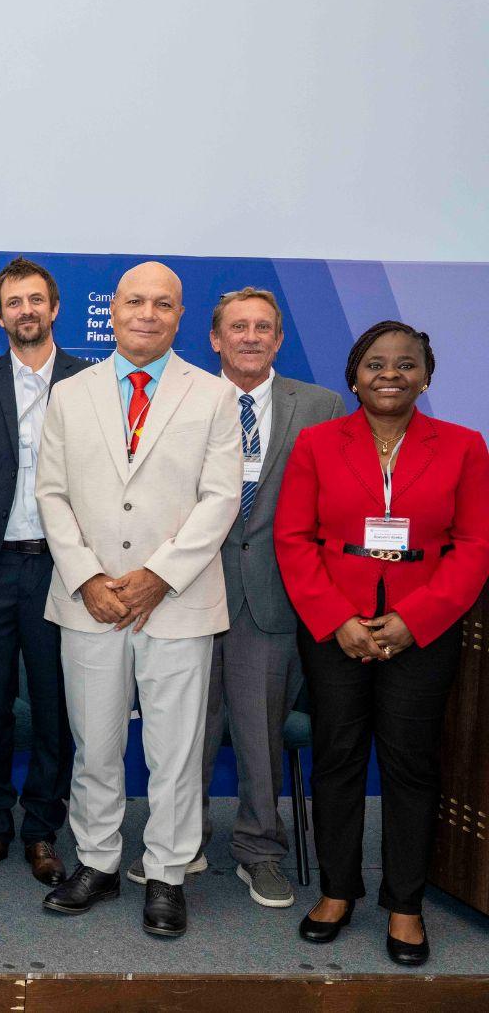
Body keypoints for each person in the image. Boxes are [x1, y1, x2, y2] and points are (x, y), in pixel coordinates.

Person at [35, 262, 241, 939]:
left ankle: (166, 874)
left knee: (174, 752)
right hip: (88, 601)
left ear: (181, 316)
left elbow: (220, 498)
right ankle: (96, 861)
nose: (147, 314)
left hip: (177, 602)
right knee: (94, 743)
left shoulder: (213, 395)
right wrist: (88, 577)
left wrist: (159, 574)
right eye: (134, 302)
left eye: (163, 304)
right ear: (113, 311)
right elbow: (51, 493)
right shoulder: (71, 394)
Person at [276, 321, 489, 967]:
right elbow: (294, 538)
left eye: (405, 364)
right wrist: (337, 618)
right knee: (337, 758)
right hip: (334, 629)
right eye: (375, 363)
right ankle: (338, 890)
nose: (390, 374)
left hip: (421, 632)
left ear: (426, 377)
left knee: (410, 766)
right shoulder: (317, 443)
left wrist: (414, 620)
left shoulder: (464, 446)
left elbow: (474, 546)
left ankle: (405, 903)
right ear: (354, 377)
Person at [128, 289, 342, 906]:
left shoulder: (321, 407)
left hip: (271, 594)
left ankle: (260, 850)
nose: (250, 337)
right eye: (238, 327)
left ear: (279, 339)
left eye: (263, 328)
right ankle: (181, 842)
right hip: (186, 585)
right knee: (183, 730)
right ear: (215, 339)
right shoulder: (182, 397)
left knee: (260, 731)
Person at [0, 258, 89, 887]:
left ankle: (41, 829)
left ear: (54, 308)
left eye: (36, 300)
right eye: (14, 302)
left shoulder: (92, 383)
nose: (26, 310)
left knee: (55, 707)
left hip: (65, 570)